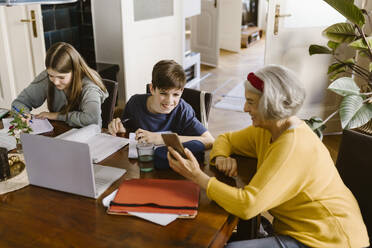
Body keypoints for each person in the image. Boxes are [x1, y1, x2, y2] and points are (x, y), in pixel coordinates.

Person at [167, 65, 369, 248]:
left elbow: (248, 206)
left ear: (271, 104)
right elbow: (226, 139)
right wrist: (220, 157)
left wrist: (197, 176)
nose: (245, 108)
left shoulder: (293, 146)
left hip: (330, 241)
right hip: (300, 231)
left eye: (251, 102)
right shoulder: (268, 129)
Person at [108, 59, 214, 149]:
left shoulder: (183, 110)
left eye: (176, 94)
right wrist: (121, 130)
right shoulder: (134, 103)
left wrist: (161, 138)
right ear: (152, 89)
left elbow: (209, 140)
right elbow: (128, 133)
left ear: (182, 91)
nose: (169, 101)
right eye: (163, 93)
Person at [11, 42, 108, 127]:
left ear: (75, 71)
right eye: (51, 75)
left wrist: (57, 115)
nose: (55, 82)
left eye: (61, 77)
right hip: (59, 133)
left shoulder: (90, 87)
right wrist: (23, 115)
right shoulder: (47, 78)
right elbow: (19, 103)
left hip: (89, 138)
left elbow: (92, 119)